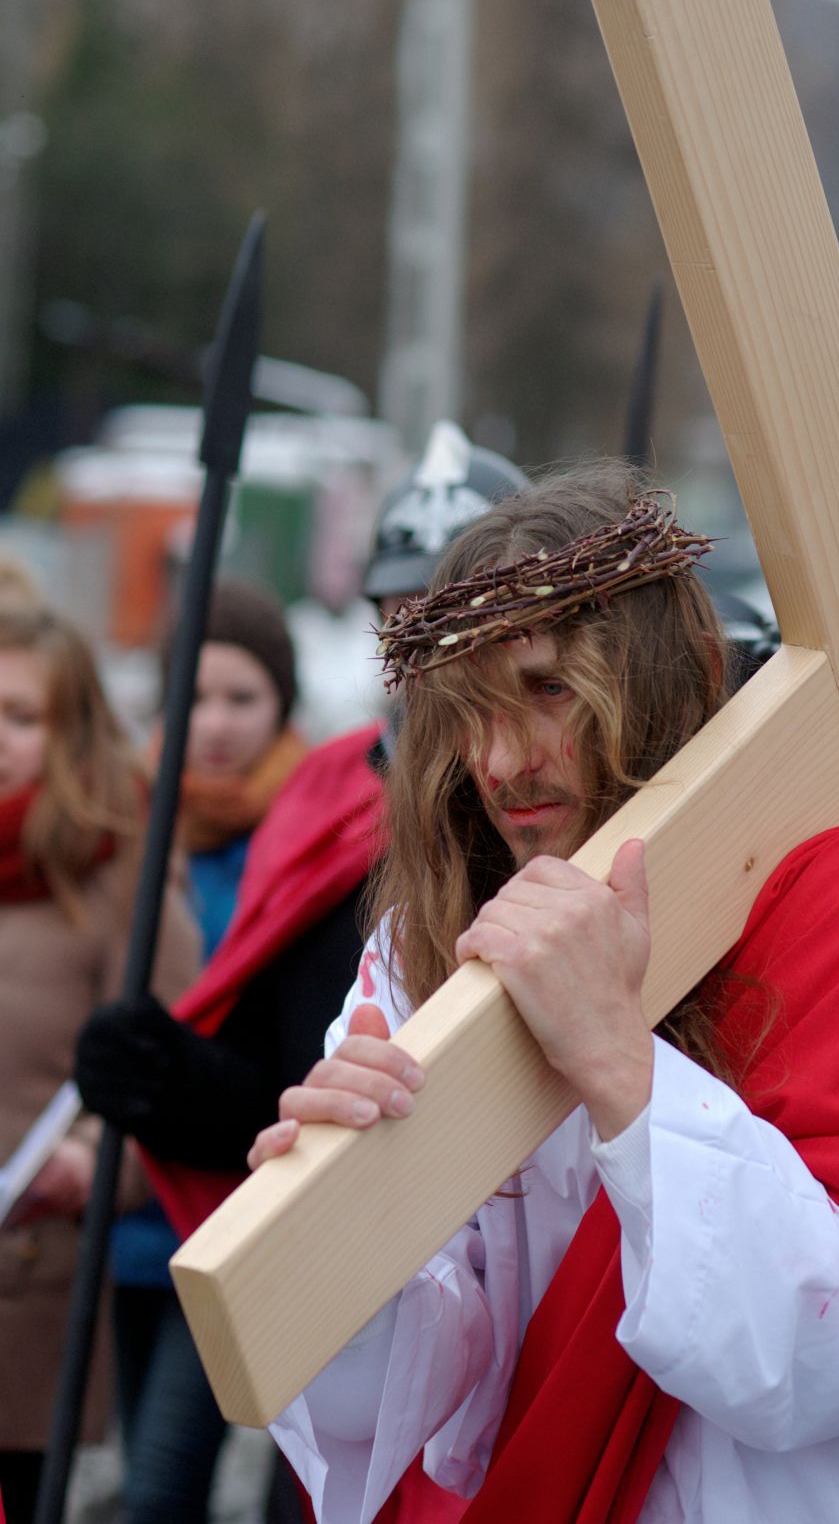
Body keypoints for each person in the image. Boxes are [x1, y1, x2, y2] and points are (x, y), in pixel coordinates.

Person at [251, 464, 839, 1524]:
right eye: (470, 712)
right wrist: (345, 1238)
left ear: (660, 676)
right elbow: (419, 1410)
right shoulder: (425, 954)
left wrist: (623, 1068)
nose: (502, 762)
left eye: (547, 691)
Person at [75, 428, 530, 1520]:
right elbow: (270, 1084)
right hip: (353, 1265)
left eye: (458, 609)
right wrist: (164, 1074)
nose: (425, 640)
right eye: (403, 609)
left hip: (515, 1256)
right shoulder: (329, 793)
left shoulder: (552, 809)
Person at [100, 574, 306, 1524]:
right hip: (128, 1215)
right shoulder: (126, 828)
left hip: (235, 1215)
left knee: (164, 1487)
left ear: (282, 704)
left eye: (241, 697)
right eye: (195, 697)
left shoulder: (308, 839)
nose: (215, 724)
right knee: (139, 1470)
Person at [0, 599, 200, 1524]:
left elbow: (166, 1061)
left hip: (27, 1283)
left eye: (21, 716)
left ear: (72, 729)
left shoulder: (118, 868)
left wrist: (87, 1163)